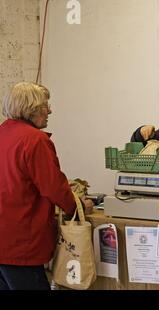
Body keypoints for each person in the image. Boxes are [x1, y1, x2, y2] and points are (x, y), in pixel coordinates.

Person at [0, 82, 91, 290]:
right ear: (30, 108)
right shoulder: (35, 140)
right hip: (21, 242)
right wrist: (77, 208)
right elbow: (53, 187)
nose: (49, 110)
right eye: (45, 106)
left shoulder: (2, 133)